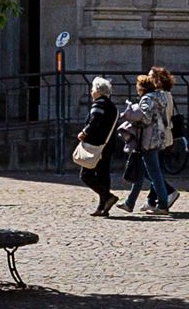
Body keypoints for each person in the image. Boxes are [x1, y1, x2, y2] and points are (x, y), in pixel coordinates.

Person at [130, 68, 181, 214]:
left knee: (151, 170)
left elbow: (149, 118)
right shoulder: (165, 95)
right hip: (163, 135)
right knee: (153, 168)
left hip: (156, 136)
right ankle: (152, 201)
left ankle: (166, 194)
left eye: (151, 76)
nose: (148, 78)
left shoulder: (158, 96)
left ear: (159, 79)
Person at [77, 77, 124, 218]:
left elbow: (95, 120)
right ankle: (102, 207)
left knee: (86, 175)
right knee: (103, 175)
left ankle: (107, 197)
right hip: (108, 145)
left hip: (96, 146)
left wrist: (84, 132)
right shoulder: (112, 106)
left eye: (92, 89)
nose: (91, 92)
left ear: (98, 91)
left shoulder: (99, 104)